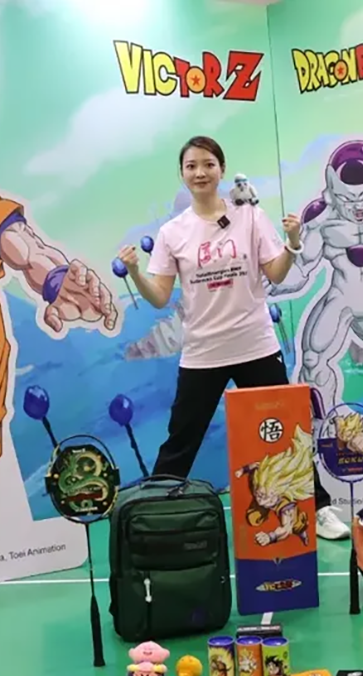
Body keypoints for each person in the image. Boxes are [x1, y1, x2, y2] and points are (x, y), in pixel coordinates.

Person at [117, 135, 350, 541]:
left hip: (256, 345)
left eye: (208, 164)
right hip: (203, 352)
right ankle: (151, 520)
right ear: (182, 174)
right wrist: (135, 271)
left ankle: (319, 509)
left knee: (286, 433)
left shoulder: (250, 217)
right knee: (181, 440)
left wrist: (293, 244)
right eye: (191, 166)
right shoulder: (173, 232)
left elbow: (275, 273)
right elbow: (158, 297)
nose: (200, 172)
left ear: (221, 169)